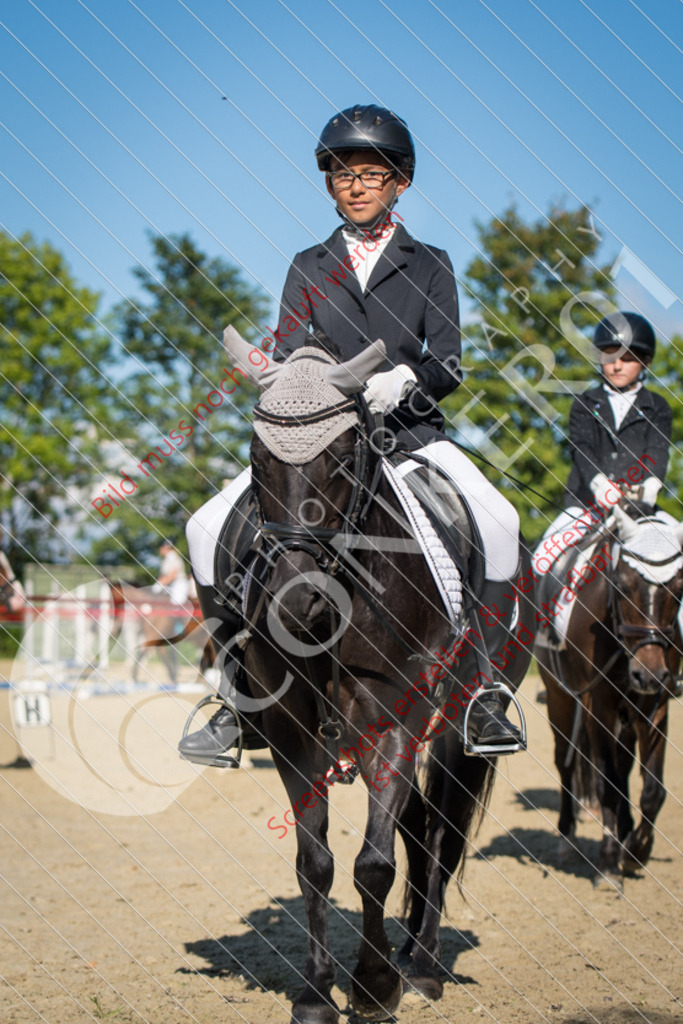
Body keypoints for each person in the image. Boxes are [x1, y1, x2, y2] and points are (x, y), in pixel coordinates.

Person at [181, 104, 525, 767]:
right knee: (202, 526)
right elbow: (289, 353)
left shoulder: (430, 263)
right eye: (342, 175)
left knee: (501, 518)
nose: (356, 185)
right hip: (321, 443)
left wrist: (406, 381)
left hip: (409, 436)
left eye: (371, 174)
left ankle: (484, 686)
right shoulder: (307, 264)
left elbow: (450, 359)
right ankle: (232, 695)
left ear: (399, 182)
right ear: (329, 185)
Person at [533, 311, 672, 575]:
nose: (617, 366)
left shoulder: (658, 407)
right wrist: (599, 484)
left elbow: (657, 449)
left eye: (628, 359)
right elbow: (581, 448)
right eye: (610, 358)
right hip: (587, 505)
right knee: (540, 560)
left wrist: (651, 484)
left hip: (639, 509)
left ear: (645, 362)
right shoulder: (585, 402)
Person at [153, 540, 190, 606]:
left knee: (176, 607)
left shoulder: (172, 557)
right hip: (172, 585)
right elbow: (163, 575)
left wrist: (159, 585)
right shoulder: (168, 558)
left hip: (178, 584)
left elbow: (172, 574)